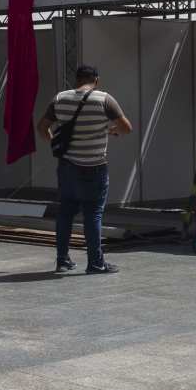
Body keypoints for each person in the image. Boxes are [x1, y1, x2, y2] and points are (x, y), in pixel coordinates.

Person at [37, 64, 133, 274]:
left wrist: (56, 144)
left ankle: (62, 260)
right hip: (94, 167)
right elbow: (127, 127)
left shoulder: (60, 98)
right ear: (96, 80)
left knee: (65, 213)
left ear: (76, 79)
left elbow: (42, 127)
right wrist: (110, 130)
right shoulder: (104, 99)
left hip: (67, 166)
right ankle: (95, 263)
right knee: (93, 214)